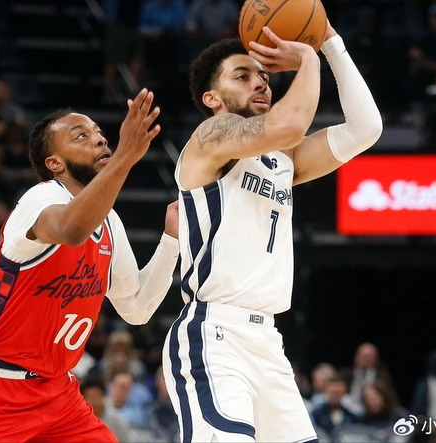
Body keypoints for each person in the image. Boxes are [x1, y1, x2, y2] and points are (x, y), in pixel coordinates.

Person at [163, 16, 382, 442]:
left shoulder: (282, 160)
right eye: (242, 76)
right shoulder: (210, 136)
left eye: (263, 76)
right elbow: (290, 125)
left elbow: (366, 129)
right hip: (214, 335)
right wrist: (308, 60)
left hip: (267, 340)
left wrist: (330, 41)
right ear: (211, 97)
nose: (260, 83)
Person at [0, 89, 180, 442]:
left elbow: (136, 309)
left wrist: (171, 240)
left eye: (99, 132)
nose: (99, 139)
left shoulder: (109, 221)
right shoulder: (40, 198)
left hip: (58, 392)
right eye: (81, 136)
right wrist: (125, 158)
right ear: (55, 163)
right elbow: (70, 230)